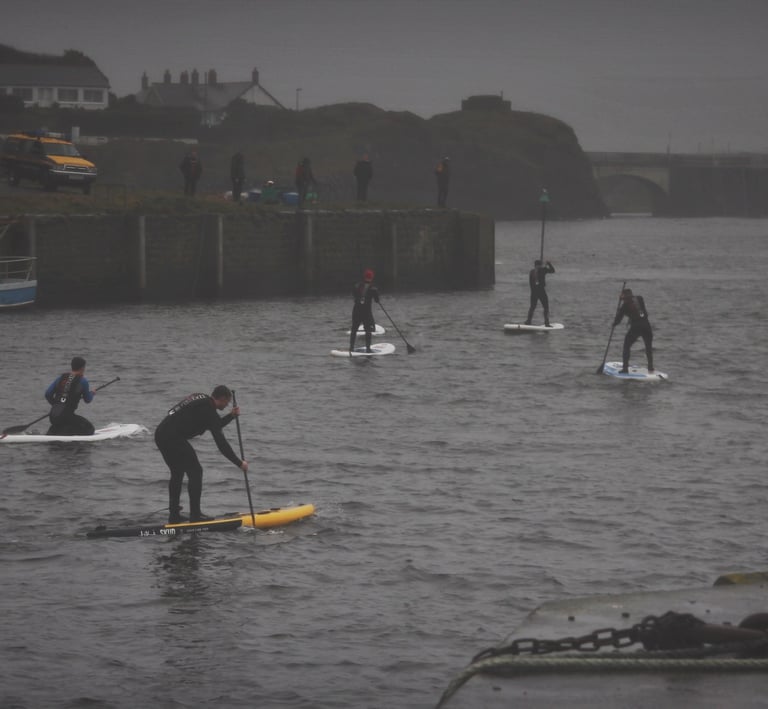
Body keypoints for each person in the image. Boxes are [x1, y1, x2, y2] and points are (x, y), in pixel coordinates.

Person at [154, 385, 249, 524]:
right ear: (222, 399)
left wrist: (231, 416)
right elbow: (221, 444)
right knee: (196, 471)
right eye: (227, 402)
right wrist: (239, 463)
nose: (227, 405)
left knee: (177, 472)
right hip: (172, 437)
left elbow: (214, 424)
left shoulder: (202, 399)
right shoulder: (208, 410)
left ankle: (174, 516)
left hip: (161, 433)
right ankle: (195, 516)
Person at [44, 356, 95, 436]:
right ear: (82, 368)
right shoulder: (83, 381)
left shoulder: (61, 378)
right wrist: (92, 393)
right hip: (65, 417)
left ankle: (54, 431)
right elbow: (87, 400)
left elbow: (48, 394)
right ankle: (65, 433)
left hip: (53, 416)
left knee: (66, 421)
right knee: (90, 429)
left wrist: (56, 404)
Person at [613, 288, 654, 373]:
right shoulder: (640, 298)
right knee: (648, 347)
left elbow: (618, 320)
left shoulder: (624, 306)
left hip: (636, 326)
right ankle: (650, 367)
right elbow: (635, 303)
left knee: (626, 346)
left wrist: (614, 324)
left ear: (624, 297)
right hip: (646, 325)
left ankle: (625, 369)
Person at [349, 268, 380, 354]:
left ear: (364, 276)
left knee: (354, 329)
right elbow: (377, 300)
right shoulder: (373, 288)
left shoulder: (357, 285)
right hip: (366, 312)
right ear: (372, 277)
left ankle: (351, 348)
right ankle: (368, 349)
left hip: (356, 310)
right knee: (368, 330)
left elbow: (354, 294)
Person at [525, 259, 555, 327]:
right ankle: (547, 323)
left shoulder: (531, 272)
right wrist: (549, 264)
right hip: (541, 292)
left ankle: (528, 321)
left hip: (533, 292)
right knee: (546, 307)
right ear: (540, 265)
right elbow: (553, 270)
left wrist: (544, 267)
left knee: (532, 307)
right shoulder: (542, 270)